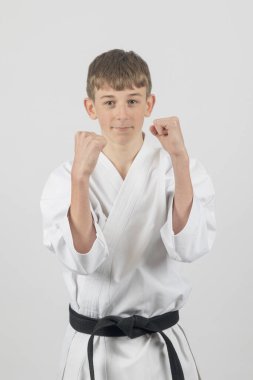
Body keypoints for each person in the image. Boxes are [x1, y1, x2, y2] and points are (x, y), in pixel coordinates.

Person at [40, 48, 216, 380]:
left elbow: (190, 247)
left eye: (133, 101)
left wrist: (179, 159)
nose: (122, 114)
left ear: (149, 105)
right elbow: (83, 261)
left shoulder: (178, 167)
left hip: (159, 349)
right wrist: (81, 178)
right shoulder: (65, 177)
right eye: (109, 102)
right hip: (93, 348)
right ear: (91, 108)